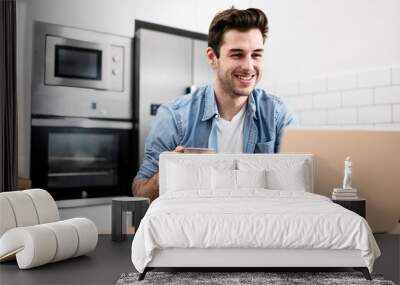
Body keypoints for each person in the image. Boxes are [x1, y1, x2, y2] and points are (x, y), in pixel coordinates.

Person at [132, 7, 294, 200]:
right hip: (197, 227)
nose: (249, 66)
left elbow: (299, 183)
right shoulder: (174, 117)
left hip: (258, 225)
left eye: (256, 55)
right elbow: (139, 192)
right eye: (237, 54)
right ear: (212, 58)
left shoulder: (276, 113)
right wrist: (170, 173)